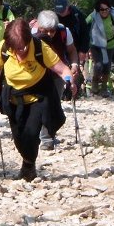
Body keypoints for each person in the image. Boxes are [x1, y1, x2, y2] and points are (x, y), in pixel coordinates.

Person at [0, 18, 76, 181]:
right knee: (19, 137)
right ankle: (27, 162)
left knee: (31, 133)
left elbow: (62, 69)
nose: (19, 51)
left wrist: (69, 82)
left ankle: (29, 168)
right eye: (15, 48)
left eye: (22, 47)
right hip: (13, 97)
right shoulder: (4, 49)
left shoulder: (39, 48)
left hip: (38, 96)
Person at [31, 9, 80, 150]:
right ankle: (33, 135)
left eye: (52, 31)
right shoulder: (30, 34)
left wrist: (75, 64)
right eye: (45, 30)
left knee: (53, 104)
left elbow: (71, 50)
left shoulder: (64, 32)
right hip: (35, 75)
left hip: (57, 73)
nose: (49, 34)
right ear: (39, 26)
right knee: (37, 105)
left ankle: (47, 139)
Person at [85, 0, 114, 97]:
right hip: (96, 45)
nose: (104, 11)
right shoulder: (93, 17)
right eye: (102, 10)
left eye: (106, 9)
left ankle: (104, 88)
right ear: (98, 10)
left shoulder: (113, 16)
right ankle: (94, 84)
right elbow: (84, 25)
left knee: (107, 67)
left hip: (110, 45)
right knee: (98, 65)